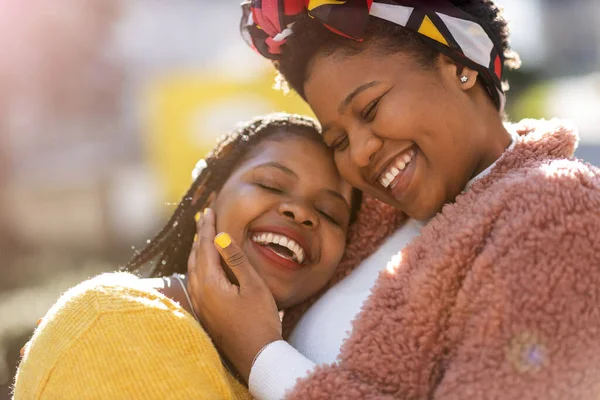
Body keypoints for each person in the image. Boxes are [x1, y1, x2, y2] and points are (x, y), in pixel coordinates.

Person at [179, 1, 600, 399]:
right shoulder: (368, 218)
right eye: (338, 140)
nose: (359, 153)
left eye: (370, 107)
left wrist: (261, 356)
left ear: (458, 65)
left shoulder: (563, 213)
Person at [12, 113, 358, 399]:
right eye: (270, 184)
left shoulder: (285, 365)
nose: (301, 213)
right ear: (206, 196)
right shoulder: (115, 318)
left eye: (329, 212)